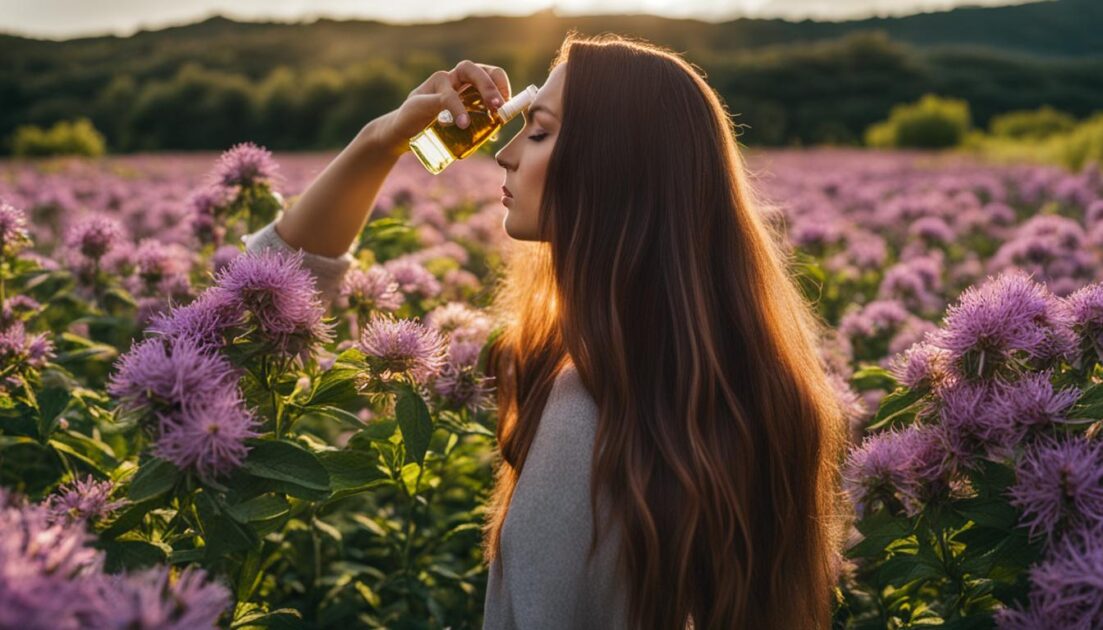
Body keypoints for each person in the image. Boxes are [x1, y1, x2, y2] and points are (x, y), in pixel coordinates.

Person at [246, 30, 850, 630]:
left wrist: (378, 142)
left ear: (613, 168)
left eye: (538, 132)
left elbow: (259, 303)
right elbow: (274, 290)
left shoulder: (586, 411)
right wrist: (384, 138)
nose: (504, 154)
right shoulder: (733, 390)